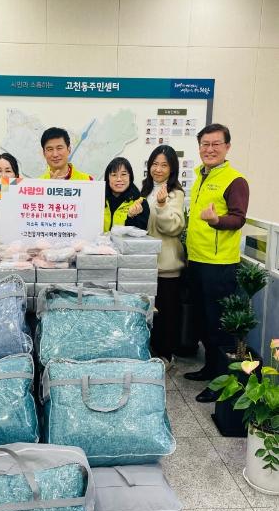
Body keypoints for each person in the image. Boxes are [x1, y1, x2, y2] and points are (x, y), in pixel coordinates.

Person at [184, 123, 249, 403]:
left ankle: (222, 384)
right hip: (198, 260)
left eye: (215, 144)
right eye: (205, 144)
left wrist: (216, 220)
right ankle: (210, 369)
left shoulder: (235, 180)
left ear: (227, 147)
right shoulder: (201, 174)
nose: (209, 149)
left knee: (218, 326)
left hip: (220, 264)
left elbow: (238, 217)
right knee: (202, 321)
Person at [141, 145, 185, 366]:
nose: (158, 169)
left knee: (166, 315)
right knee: (147, 313)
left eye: (164, 165)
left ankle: (166, 356)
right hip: (145, 263)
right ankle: (149, 354)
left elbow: (173, 227)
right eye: (155, 164)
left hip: (166, 266)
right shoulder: (145, 190)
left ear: (172, 169)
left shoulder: (175, 194)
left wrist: (161, 204)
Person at [103, 157, 149, 232]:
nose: (119, 179)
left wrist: (131, 217)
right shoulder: (99, 200)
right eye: (114, 175)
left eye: (123, 174)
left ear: (130, 177)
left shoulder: (140, 203)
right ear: (108, 178)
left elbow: (140, 235)